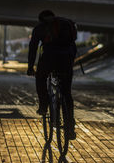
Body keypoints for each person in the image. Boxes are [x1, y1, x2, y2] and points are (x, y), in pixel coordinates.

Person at [27, 10, 77, 140]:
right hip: (67, 58)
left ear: (41, 19)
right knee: (67, 92)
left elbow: (33, 47)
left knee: (40, 77)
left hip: (49, 58)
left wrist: (30, 67)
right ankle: (70, 126)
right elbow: (73, 44)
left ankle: (44, 105)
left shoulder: (40, 27)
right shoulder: (66, 23)